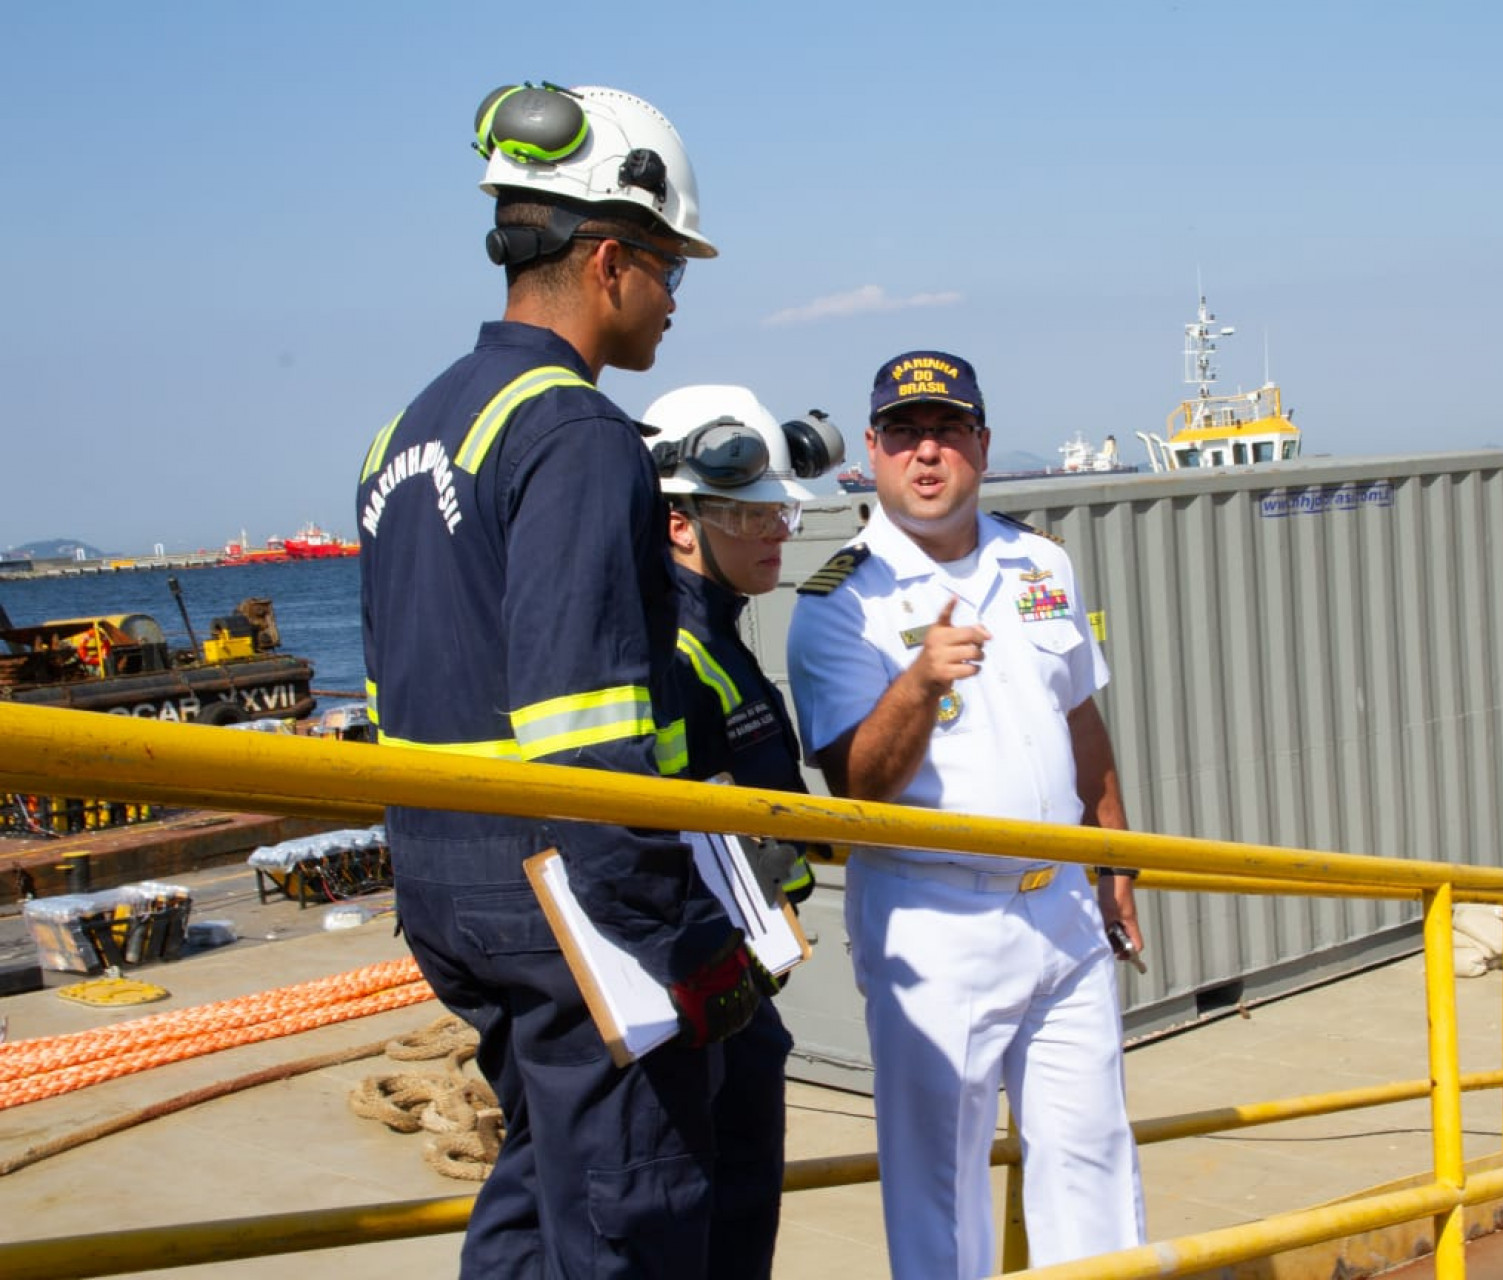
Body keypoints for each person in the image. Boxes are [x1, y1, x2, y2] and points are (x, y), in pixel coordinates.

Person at [357, 82, 783, 1279]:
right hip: (566, 904)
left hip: (447, 892)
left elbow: (408, 679)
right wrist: (680, 941)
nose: (674, 301)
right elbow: (588, 737)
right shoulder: (578, 433)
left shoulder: (406, 433)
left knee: (536, 1189)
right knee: (632, 1213)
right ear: (608, 260)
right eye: (670, 270)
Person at [786, 349, 1148, 1277]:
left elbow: (1080, 715)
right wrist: (917, 682)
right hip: (934, 924)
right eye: (905, 434)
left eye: (948, 429)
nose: (928, 452)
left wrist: (1115, 860)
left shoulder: (1041, 560)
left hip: (1063, 907)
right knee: (942, 1190)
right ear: (869, 452)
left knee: (1094, 1158)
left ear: (982, 444)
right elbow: (857, 786)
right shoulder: (840, 603)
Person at [644, 383, 844, 901]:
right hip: (724, 943)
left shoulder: (712, 634)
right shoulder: (669, 661)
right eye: (753, 515)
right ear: (679, 525)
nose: (778, 532)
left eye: (780, 511)